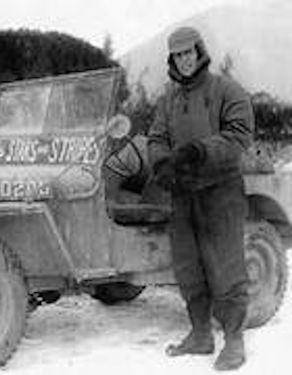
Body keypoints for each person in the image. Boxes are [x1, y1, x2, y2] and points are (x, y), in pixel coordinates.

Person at [147, 26, 254, 371]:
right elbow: (156, 137)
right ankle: (200, 334)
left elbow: (238, 135)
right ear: (172, 60)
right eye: (178, 55)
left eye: (189, 52)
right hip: (183, 195)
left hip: (220, 192)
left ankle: (234, 341)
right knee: (189, 268)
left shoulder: (226, 90)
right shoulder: (168, 99)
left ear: (200, 51)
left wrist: (198, 151)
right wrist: (162, 164)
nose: (185, 59)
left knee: (226, 267)